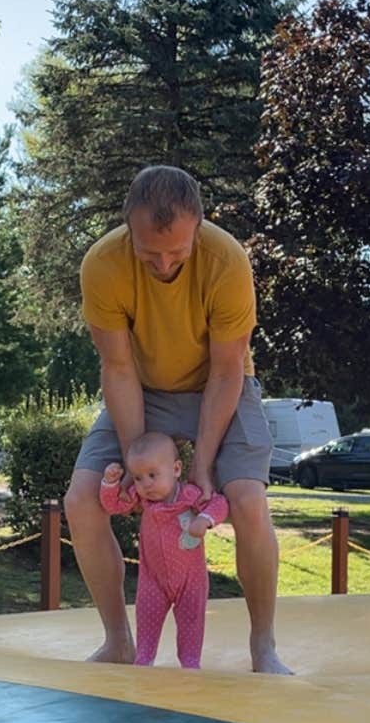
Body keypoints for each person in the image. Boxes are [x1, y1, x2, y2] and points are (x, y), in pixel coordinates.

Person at [65, 163, 290, 675]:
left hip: (220, 386)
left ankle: (264, 648)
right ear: (128, 230)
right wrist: (133, 462)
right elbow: (118, 368)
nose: (165, 266)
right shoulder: (102, 265)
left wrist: (203, 467)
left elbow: (227, 372)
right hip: (141, 388)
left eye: (178, 254)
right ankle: (119, 641)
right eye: (150, 255)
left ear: (199, 230)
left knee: (249, 500)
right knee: (81, 498)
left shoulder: (226, 260)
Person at [99, 430, 228, 669]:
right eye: (137, 478)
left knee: (191, 621)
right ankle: (144, 660)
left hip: (191, 580)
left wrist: (206, 519)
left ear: (176, 469)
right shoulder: (141, 500)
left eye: (152, 475)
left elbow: (219, 503)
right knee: (147, 619)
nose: (145, 484)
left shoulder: (190, 495)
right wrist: (109, 482)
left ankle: (190, 664)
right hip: (153, 579)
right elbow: (113, 505)